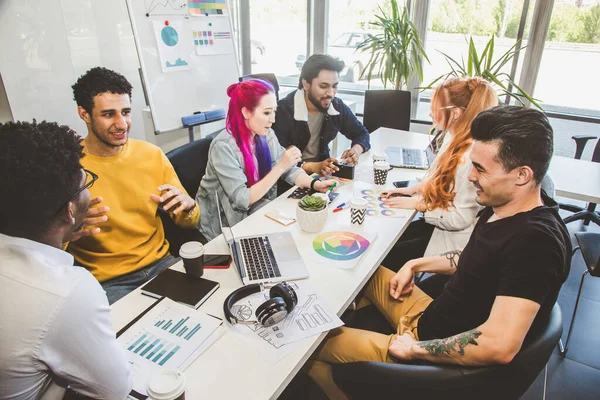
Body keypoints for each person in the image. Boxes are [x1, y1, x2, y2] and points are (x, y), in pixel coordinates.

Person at [307, 106, 572, 400]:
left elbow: (499, 345)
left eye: (481, 169)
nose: (470, 177)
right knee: (363, 265)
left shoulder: (535, 243)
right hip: (431, 314)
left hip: (430, 342)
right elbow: (478, 261)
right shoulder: (506, 207)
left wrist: (414, 348)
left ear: (522, 175)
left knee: (309, 347)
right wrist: (416, 263)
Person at [0, 121, 131, 399]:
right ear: (70, 211)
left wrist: (63, 238)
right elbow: (115, 391)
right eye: (85, 184)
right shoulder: (66, 292)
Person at [68, 67, 200, 304]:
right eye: (109, 114)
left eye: (126, 112)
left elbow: (189, 222)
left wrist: (189, 207)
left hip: (161, 264)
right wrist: (71, 229)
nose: (122, 124)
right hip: (108, 282)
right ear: (84, 114)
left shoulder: (151, 155)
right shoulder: (68, 165)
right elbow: (51, 247)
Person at [196, 79, 335, 240]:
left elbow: (288, 168)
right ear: (246, 112)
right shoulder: (223, 147)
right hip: (222, 229)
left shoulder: (265, 134)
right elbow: (242, 199)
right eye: (267, 112)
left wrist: (314, 184)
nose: (273, 119)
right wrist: (280, 167)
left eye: (274, 112)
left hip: (256, 212)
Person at [382, 77, 498, 269]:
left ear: (455, 113)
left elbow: (461, 218)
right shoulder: (452, 137)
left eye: (435, 108)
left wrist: (418, 205)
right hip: (437, 221)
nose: (430, 113)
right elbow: (439, 178)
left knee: (387, 256)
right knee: (389, 240)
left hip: (452, 239)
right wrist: (413, 189)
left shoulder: (471, 157)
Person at [272, 54, 370, 178]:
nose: (331, 93)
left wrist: (356, 150)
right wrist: (314, 166)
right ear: (306, 84)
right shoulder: (283, 111)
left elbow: (362, 134)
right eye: (323, 86)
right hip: (289, 180)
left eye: (334, 86)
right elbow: (278, 160)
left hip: (321, 175)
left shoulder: (336, 106)